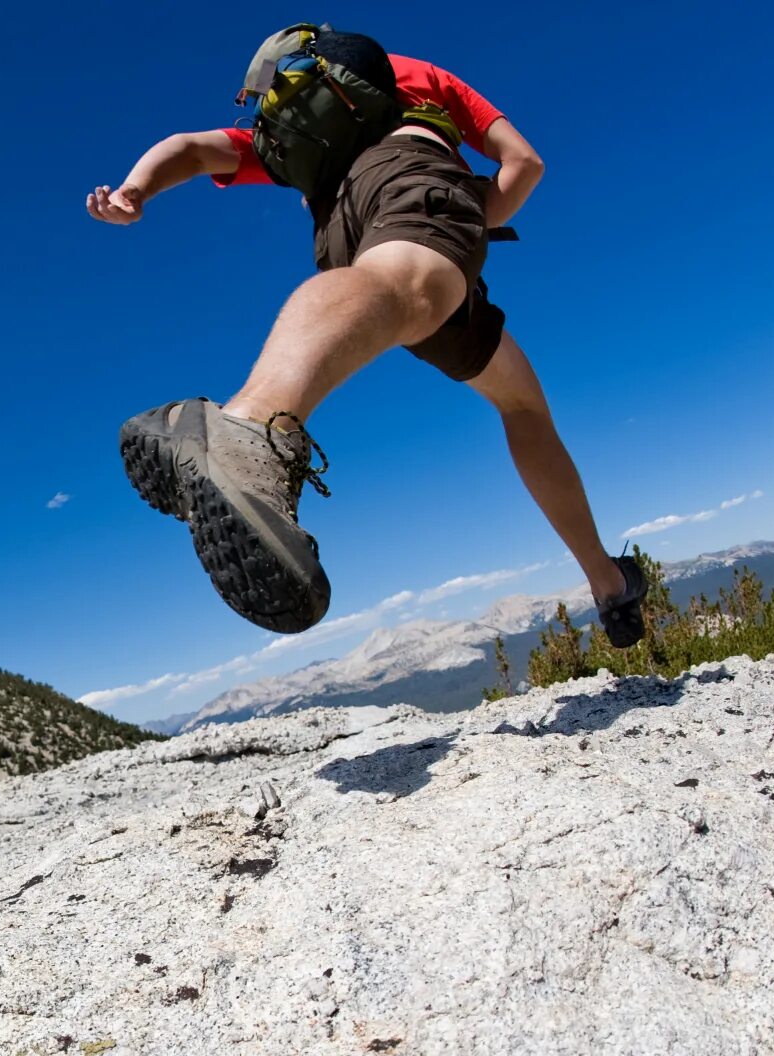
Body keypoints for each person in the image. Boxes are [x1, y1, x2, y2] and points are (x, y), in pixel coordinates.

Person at [88, 26, 647, 646]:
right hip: (413, 179)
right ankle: (247, 428)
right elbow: (524, 162)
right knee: (412, 288)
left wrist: (134, 192)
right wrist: (468, 218)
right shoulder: (419, 76)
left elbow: (191, 148)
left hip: (342, 237)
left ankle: (608, 583)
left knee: (514, 392)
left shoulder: (287, 124)